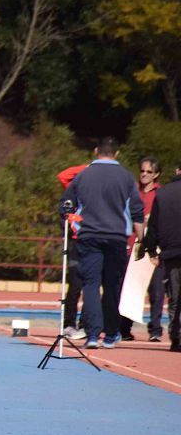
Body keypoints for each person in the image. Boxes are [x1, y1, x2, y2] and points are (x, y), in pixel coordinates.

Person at [59, 137, 144, 349]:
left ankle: (93, 334)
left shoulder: (83, 176)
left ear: (96, 151)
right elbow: (136, 211)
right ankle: (111, 333)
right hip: (116, 236)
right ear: (116, 154)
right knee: (112, 285)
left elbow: (66, 206)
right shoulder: (126, 178)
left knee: (90, 284)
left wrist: (75, 226)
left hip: (89, 236)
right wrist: (141, 239)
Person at [120, 156, 166, 341]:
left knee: (156, 291)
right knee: (129, 288)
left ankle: (155, 330)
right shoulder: (132, 192)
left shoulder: (161, 194)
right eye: (142, 171)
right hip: (132, 246)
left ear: (156, 174)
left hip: (154, 247)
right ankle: (124, 329)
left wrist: (150, 219)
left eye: (149, 172)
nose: (144, 175)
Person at [141, 161, 181, 353]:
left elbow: (154, 225)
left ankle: (175, 336)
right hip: (172, 250)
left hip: (171, 252)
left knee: (174, 296)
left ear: (177, 170)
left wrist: (150, 249)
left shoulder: (163, 194)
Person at [56, 162, 88, 340]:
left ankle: (86, 324)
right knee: (74, 285)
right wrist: (89, 167)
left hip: (94, 240)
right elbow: (63, 175)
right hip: (76, 242)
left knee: (91, 286)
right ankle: (69, 323)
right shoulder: (74, 188)